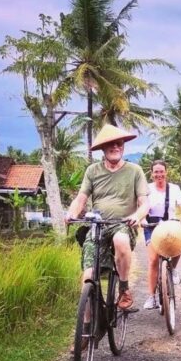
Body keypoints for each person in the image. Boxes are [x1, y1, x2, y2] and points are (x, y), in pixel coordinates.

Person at [65, 125, 150, 312]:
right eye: (110, 144)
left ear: (123, 147)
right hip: (97, 226)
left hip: (123, 225)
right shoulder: (92, 171)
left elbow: (145, 203)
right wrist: (71, 213)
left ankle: (124, 289)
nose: (115, 147)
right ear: (103, 149)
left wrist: (136, 216)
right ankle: (86, 327)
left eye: (119, 143)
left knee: (120, 240)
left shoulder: (134, 171)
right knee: (88, 276)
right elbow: (81, 198)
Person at [141, 160, 181, 311]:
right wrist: (142, 219)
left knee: (179, 244)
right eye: (156, 172)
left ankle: (173, 269)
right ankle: (152, 297)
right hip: (152, 226)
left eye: (161, 171)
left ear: (166, 172)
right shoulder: (146, 189)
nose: (159, 174)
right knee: (154, 259)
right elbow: (141, 207)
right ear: (151, 173)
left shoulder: (174, 189)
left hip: (170, 225)